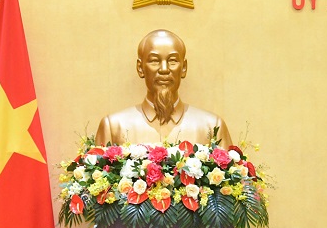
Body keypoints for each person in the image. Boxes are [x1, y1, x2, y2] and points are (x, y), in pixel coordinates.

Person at [94, 30, 231, 147]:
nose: (164, 69)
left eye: (172, 61)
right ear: (140, 68)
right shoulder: (113, 126)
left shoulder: (212, 127)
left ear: (183, 68)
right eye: (154, 60)